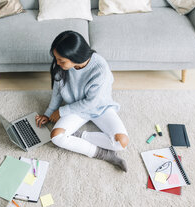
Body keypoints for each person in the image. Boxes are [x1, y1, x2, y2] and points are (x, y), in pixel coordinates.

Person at [35, 30, 129, 172]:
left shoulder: (100, 69)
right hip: (76, 108)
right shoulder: (62, 67)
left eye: (61, 60)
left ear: (75, 57)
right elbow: (57, 92)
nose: (57, 63)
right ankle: (103, 154)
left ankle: (79, 135)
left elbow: (91, 103)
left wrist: (61, 111)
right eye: (56, 59)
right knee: (56, 137)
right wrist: (48, 114)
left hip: (100, 109)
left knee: (122, 143)